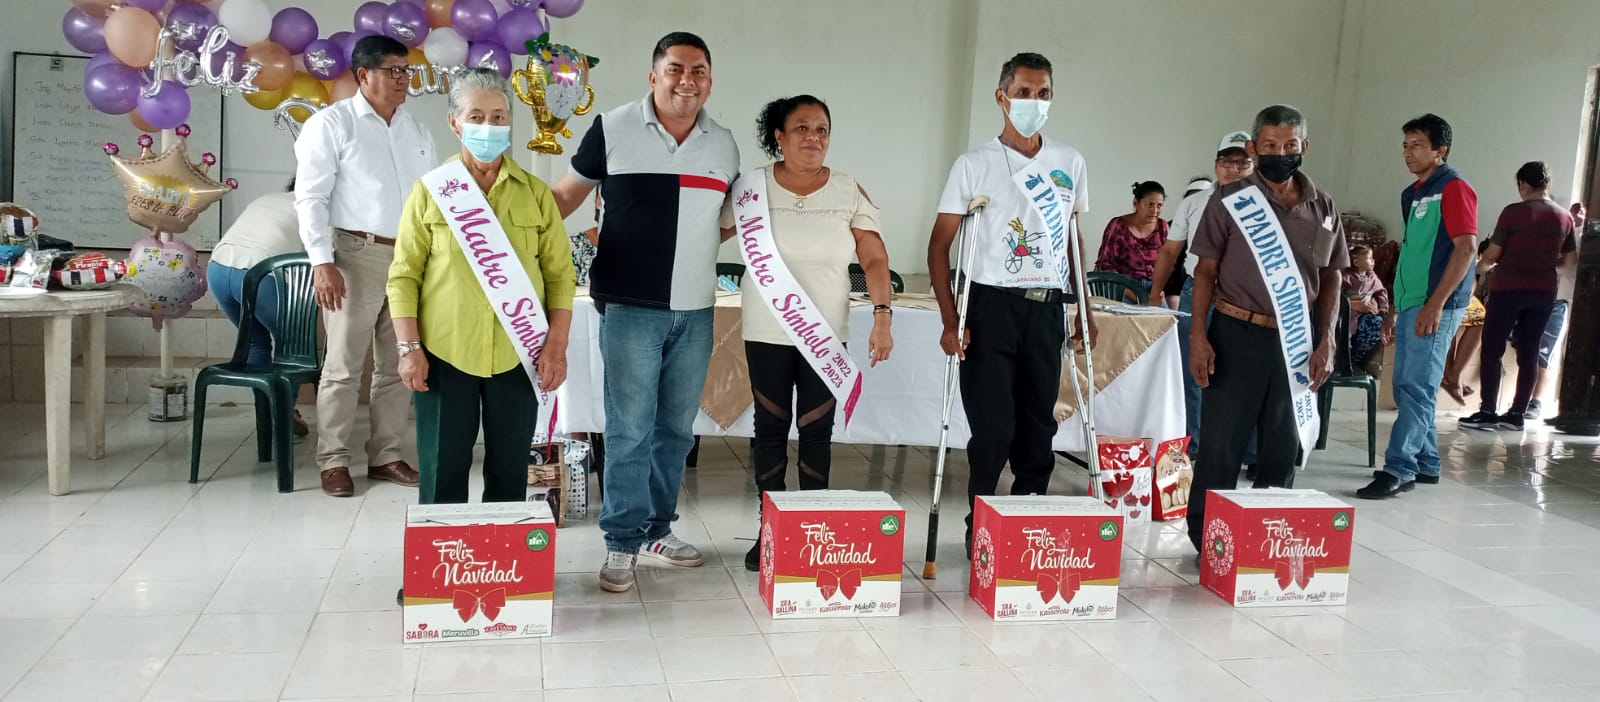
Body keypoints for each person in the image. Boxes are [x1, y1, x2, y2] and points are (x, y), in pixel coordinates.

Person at [548, 32, 739, 593]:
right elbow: (563, 199)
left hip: (696, 310)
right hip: (630, 307)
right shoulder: (612, 128)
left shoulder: (724, 144)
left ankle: (657, 530)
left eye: (698, 71)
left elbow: (730, 219)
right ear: (654, 76)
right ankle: (621, 540)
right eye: (675, 69)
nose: (687, 81)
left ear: (710, 81)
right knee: (629, 430)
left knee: (675, 431)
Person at [927, 52, 1095, 558]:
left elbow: (1073, 239)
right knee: (993, 428)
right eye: (1023, 92)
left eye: (1043, 93)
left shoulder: (1070, 161)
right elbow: (939, 246)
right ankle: (980, 522)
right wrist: (951, 320)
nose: (1033, 102)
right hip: (990, 307)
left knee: (1038, 426)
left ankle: (1026, 519)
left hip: (1045, 308)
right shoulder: (973, 164)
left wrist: (1083, 309)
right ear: (1002, 97)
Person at [721, 95, 894, 571]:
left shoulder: (847, 189)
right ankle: (770, 531)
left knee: (817, 432)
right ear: (779, 136)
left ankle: (810, 525)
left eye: (821, 129)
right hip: (766, 331)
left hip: (825, 334)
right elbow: (706, 232)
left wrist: (883, 316)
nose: (813, 138)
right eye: (801, 128)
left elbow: (875, 258)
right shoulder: (751, 189)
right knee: (770, 430)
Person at [387, 68, 575, 504]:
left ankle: (501, 549)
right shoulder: (431, 191)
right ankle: (444, 548)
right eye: (476, 117)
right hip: (443, 353)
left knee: (510, 473)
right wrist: (408, 348)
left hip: (519, 353)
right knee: (442, 471)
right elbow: (403, 276)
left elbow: (560, 276)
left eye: (498, 117)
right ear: (455, 123)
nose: (488, 127)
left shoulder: (535, 194)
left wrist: (556, 346)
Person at [1188, 105, 1347, 548]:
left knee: (1281, 445)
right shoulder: (1230, 200)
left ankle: (1266, 537)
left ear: (1304, 146)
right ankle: (1208, 539)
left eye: (1290, 145)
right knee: (1222, 444)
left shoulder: (1323, 206)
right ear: (1254, 148)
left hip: (1295, 340)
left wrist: (1327, 340)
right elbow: (1204, 272)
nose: (1281, 153)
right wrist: (1198, 335)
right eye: (1271, 145)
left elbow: (1332, 277)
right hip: (1235, 334)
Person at [294, 35, 437, 497]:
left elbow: (432, 197)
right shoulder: (332, 125)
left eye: (407, 71)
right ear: (363, 75)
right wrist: (322, 261)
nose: (403, 79)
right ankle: (334, 460)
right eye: (393, 71)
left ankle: (385, 455)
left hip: (411, 257)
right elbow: (310, 198)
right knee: (343, 364)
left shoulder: (416, 130)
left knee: (398, 363)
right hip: (355, 255)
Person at [1359, 114, 1478, 499]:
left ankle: (1400, 468)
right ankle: (1427, 462)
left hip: (1436, 303)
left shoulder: (1454, 188)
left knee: (1417, 386)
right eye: (1405, 146)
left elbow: (1466, 249)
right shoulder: (1412, 194)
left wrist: (1436, 304)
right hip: (1411, 301)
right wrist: (1394, 308)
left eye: (1417, 145)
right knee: (1406, 385)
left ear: (1440, 150)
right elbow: (1412, 253)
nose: (1408, 153)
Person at [1148, 131, 1253, 454]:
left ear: (1254, 165)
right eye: (1227, 162)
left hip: (1246, 297)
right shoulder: (1195, 203)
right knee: (1193, 368)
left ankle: (1247, 450)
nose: (1234, 169)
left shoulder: (1265, 206)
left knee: (1245, 373)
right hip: (1199, 291)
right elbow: (1170, 251)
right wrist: (1155, 293)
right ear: (1216, 164)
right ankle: (1194, 445)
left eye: (1242, 163)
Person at [1458, 161, 1577, 431]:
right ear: (1547, 184)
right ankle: (1516, 415)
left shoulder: (1513, 212)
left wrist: (1479, 268)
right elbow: (1571, 261)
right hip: (1543, 292)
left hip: (1508, 289)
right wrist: (1545, 263)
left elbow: (1493, 254)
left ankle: (1488, 411)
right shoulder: (1564, 217)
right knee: (1530, 351)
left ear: (1523, 184)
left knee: (1492, 348)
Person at [206, 180, 310, 436]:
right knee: (293, 345)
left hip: (218, 269)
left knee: (255, 341)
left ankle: (266, 416)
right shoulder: (316, 207)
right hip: (259, 273)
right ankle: (283, 415)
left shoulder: (267, 197)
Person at [1526, 201, 1583, 420]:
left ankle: (1537, 401)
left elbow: (1570, 263)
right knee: (1529, 349)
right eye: (1573, 211)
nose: (1576, 215)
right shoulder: (1556, 234)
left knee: (1545, 352)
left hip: (1559, 301)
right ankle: (1524, 399)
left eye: (1581, 212)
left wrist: (1547, 262)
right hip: (1538, 296)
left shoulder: (1581, 239)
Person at [1093, 181, 1167, 297]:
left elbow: (1166, 262)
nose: (1154, 210)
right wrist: (1130, 293)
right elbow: (1105, 265)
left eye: (1159, 206)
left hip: (1151, 288)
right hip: (1121, 286)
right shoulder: (1118, 226)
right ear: (1136, 203)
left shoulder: (1162, 227)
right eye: (1149, 205)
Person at [1343, 244, 1390, 375]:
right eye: (1369, 258)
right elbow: (1337, 295)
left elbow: (1381, 292)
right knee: (1345, 336)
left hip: (1365, 314)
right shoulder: (1347, 276)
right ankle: (1343, 361)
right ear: (1356, 262)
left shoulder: (1372, 277)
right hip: (1347, 314)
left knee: (1377, 323)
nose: (1373, 261)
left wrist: (1383, 307)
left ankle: (1354, 361)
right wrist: (1350, 304)